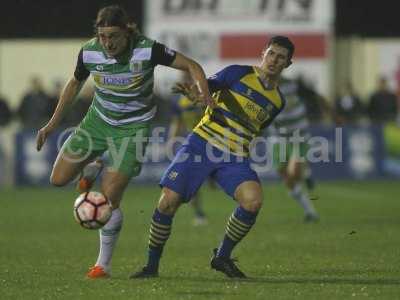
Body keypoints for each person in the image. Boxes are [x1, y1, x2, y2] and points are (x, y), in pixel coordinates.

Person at [35, 5, 213, 279]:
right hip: (97, 122)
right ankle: (93, 165)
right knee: (57, 179)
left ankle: (102, 265)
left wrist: (207, 98)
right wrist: (51, 124)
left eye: (114, 36)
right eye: (103, 36)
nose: (108, 43)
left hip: (133, 130)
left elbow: (192, 65)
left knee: (109, 201)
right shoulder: (89, 51)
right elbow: (74, 84)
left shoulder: (147, 49)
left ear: (128, 32)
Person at [131, 36, 295, 279]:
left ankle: (222, 256)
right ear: (263, 53)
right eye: (271, 53)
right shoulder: (237, 73)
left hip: (235, 156)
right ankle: (151, 266)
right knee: (167, 202)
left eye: (281, 57)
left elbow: (258, 128)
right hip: (202, 144)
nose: (274, 60)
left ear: (288, 64)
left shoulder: (277, 101)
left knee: (253, 201)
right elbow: (208, 85)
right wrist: (200, 95)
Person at [270, 77, 319, 222]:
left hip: (299, 136)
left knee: (294, 172)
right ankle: (310, 212)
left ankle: (307, 173)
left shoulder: (289, 86)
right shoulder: (264, 91)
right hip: (279, 137)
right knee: (285, 176)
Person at [168, 73, 210, 226]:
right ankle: (199, 213)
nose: (186, 80)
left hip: (212, 140)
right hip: (192, 141)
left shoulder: (204, 93)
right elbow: (176, 121)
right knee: (190, 179)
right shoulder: (177, 100)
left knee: (213, 179)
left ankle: (212, 179)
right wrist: (172, 140)